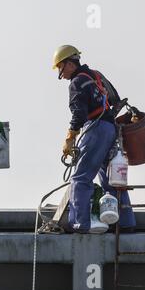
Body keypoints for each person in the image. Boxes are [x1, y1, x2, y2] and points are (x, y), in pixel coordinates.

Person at [52, 45, 136, 233]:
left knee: (80, 178)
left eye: (61, 67)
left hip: (96, 129)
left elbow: (79, 114)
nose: (60, 73)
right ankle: (126, 223)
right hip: (110, 128)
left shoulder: (77, 83)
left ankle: (80, 224)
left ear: (70, 64)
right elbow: (116, 99)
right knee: (111, 179)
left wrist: (70, 137)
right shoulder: (96, 75)